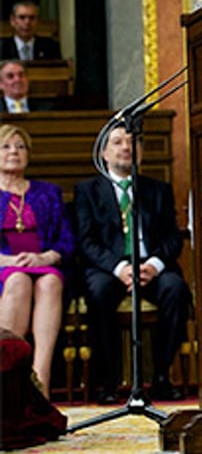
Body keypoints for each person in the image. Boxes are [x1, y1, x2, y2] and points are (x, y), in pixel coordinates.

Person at [76, 125, 191, 404]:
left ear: (141, 151)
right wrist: (119, 268)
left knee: (175, 289)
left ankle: (162, 376)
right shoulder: (88, 190)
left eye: (133, 142)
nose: (126, 148)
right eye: (117, 142)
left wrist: (153, 265)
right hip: (109, 268)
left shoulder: (158, 190)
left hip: (150, 265)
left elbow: (173, 237)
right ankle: (108, 381)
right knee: (99, 292)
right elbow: (86, 241)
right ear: (104, 152)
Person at [0, 125, 73, 398]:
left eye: (20, 147)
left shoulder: (48, 193)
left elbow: (66, 240)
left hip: (42, 263)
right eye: (6, 146)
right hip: (4, 267)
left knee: (51, 281)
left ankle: (41, 379)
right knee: (18, 280)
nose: (13, 152)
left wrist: (44, 257)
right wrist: (6, 260)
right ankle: (10, 374)